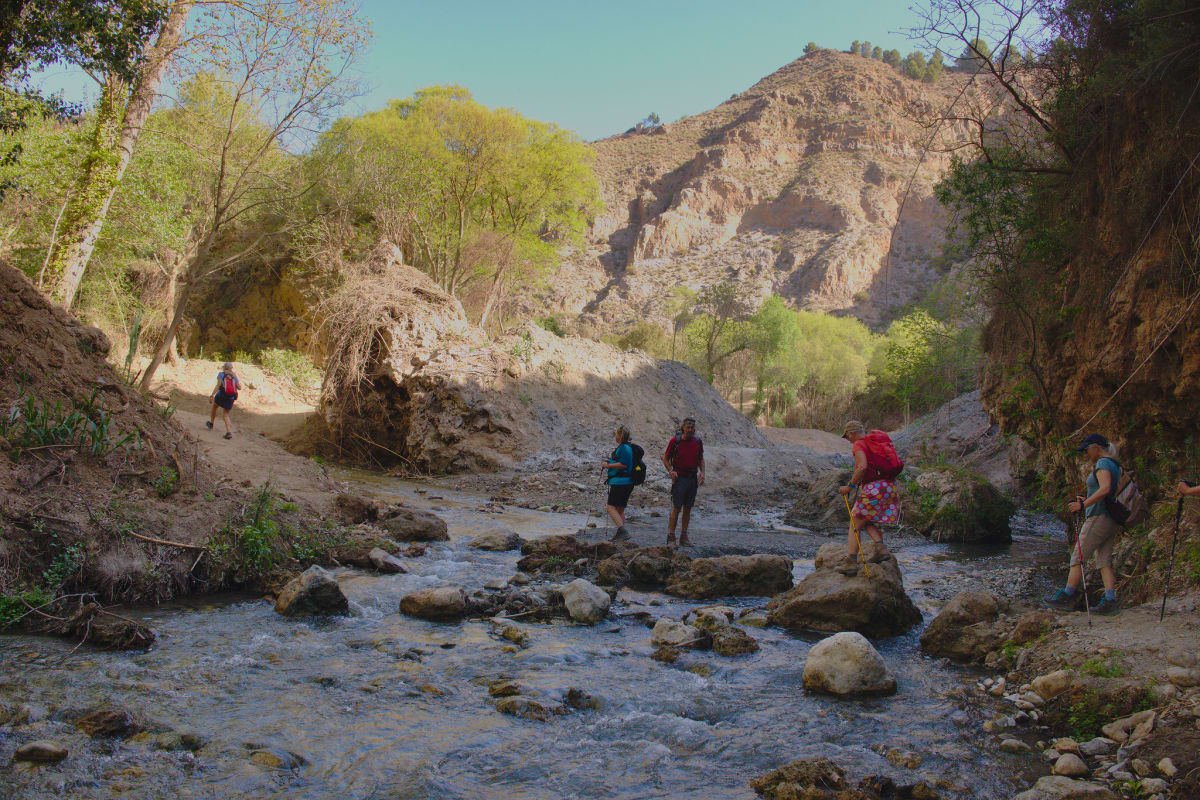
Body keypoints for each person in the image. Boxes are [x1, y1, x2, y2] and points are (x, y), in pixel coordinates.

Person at [1046, 433, 1122, 615]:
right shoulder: (1114, 465)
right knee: (1104, 560)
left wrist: (1083, 504)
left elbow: (1104, 489)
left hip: (1098, 516)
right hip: (1111, 518)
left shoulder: (1103, 463)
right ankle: (1110, 600)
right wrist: (1086, 498)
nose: (1086, 454)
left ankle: (1068, 595)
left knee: (1078, 555)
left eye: (1087, 450)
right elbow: (1106, 491)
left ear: (1096, 447)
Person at [837, 420, 900, 567]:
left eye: (847, 436)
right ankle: (881, 549)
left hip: (874, 488)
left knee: (854, 523)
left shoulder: (859, 444)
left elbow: (862, 467)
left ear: (852, 433)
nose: (848, 440)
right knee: (865, 519)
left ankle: (851, 563)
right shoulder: (874, 443)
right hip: (889, 486)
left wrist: (849, 487)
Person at [662, 417, 704, 546]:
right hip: (679, 478)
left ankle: (683, 537)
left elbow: (700, 458)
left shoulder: (698, 441)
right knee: (676, 507)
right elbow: (665, 458)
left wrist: (702, 472)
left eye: (692, 428)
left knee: (688, 508)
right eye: (688, 427)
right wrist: (671, 471)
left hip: (692, 478)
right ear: (683, 428)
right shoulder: (675, 441)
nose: (690, 430)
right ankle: (671, 537)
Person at [604, 425, 636, 541]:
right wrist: (610, 462)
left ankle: (623, 531)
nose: (615, 436)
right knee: (620, 510)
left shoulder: (623, 448)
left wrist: (608, 465)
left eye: (617, 434)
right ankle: (621, 536)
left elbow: (623, 465)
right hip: (627, 482)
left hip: (621, 482)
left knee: (610, 507)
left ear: (620, 435)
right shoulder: (627, 447)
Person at [207, 361, 240, 440]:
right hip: (230, 398)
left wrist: (212, 395)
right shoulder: (234, 376)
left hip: (221, 396)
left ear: (224, 367)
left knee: (215, 406)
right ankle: (228, 432)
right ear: (231, 368)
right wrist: (235, 378)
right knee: (226, 415)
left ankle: (211, 423)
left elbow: (218, 385)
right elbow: (239, 387)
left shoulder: (221, 374)